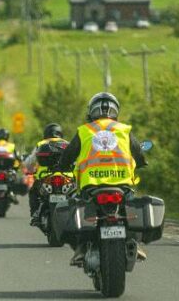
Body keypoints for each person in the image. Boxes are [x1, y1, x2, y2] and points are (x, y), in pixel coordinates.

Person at [58, 92, 148, 264]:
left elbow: (69, 154)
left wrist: (62, 166)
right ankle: (135, 243)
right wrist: (142, 162)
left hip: (91, 186)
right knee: (130, 210)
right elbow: (138, 152)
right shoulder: (123, 130)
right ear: (115, 110)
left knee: (81, 214)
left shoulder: (84, 131)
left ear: (92, 111)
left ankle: (82, 248)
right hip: (122, 185)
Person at [27, 123, 70, 226]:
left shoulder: (41, 144)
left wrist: (29, 170)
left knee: (33, 193)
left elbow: (30, 162)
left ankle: (35, 214)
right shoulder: (67, 144)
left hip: (44, 177)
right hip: (67, 177)